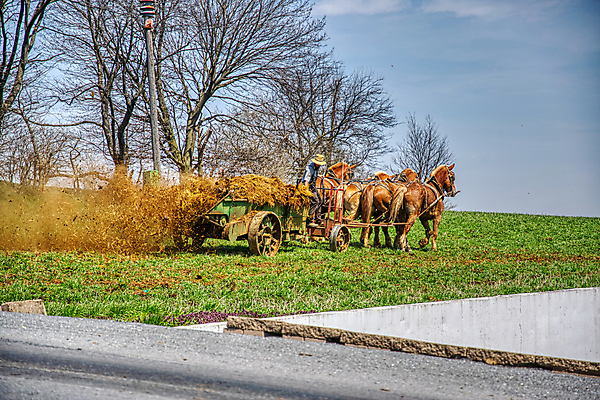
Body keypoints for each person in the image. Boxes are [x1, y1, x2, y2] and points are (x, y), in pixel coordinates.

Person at [302, 154, 326, 228]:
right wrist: (306, 191)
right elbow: (306, 179)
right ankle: (309, 219)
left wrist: (319, 175)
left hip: (313, 186)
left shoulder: (316, 167)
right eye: (319, 163)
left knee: (320, 201)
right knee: (315, 201)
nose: (319, 165)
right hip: (308, 186)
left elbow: (313, 175)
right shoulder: (310, 168)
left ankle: (318, 219)